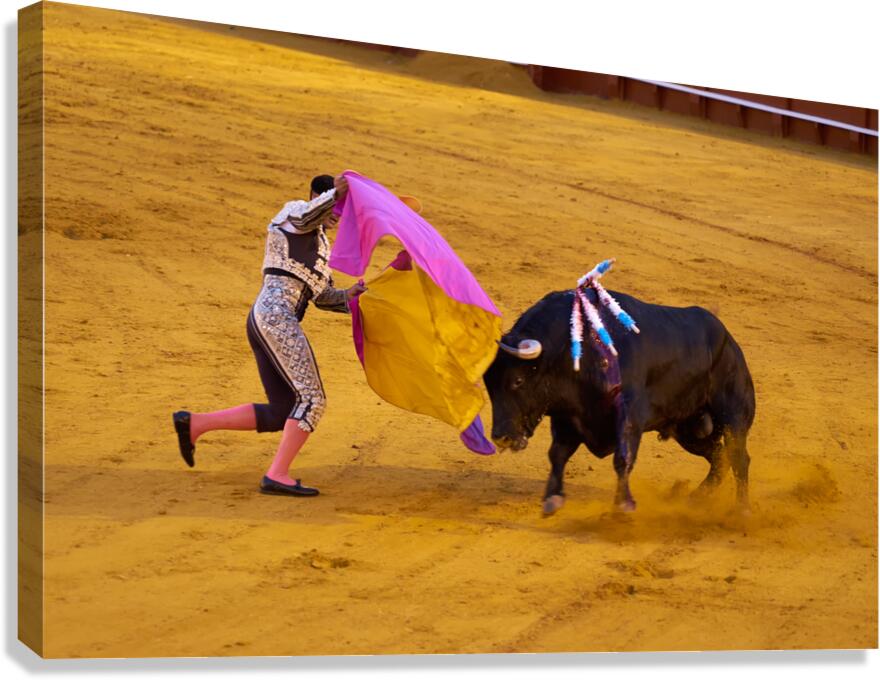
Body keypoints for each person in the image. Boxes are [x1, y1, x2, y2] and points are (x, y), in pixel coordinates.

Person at [172, 174, 365, 497]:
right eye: (337, 206)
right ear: (320, 194)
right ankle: (277, 474)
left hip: (271, 319)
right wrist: (336, 194)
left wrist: (352, 295)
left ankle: (195, 424)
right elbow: (306, 217)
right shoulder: (294, 212)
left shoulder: (321, 246)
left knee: (283, 409)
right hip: (276, 317)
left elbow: (322, 298)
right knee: (312, 400)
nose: (338, 214)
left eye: (343, 210)